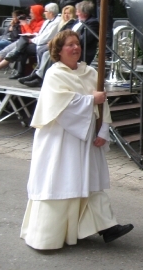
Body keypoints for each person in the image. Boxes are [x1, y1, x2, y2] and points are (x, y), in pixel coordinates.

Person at [20, 30, 133, 250]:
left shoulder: (90, 72)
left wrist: (103, 130)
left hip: (86, 136)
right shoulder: (54, 75)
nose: (75, 48)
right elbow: (62, 105)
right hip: (60, 139)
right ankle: (47, 236)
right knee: (62, 180)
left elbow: (102, 105)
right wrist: (91, 99)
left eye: (77, 44)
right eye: (69, 45)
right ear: (58, 51)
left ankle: (106, 226)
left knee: (88, 180)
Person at [0, 4, 59, 79]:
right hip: (25, 40)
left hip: (32, 42)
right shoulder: (40, 22)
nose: (30, 14)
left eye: (32, 12)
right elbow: (25, 33)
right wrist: (19, 24)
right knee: (4, 50)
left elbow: (36, 35)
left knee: (8, 48)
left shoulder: (42, 22)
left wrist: (25, 26)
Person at [18, 5, 78, 88]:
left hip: (63, 46)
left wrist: (53, 42)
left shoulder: (71, 23)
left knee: (42, 51)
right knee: (40, 51)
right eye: (64, 13)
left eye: (69, 13)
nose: (66, 15)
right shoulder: (63, 23)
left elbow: (67, 38)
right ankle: (35, 75)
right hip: (53, 44)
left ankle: (38, 76)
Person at [73, 0, 100, 65]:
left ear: (85, 13)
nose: (76, 14)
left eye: (78, 11)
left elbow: (83, 40)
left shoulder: (93, 23)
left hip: (83, 52)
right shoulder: (77, 21)